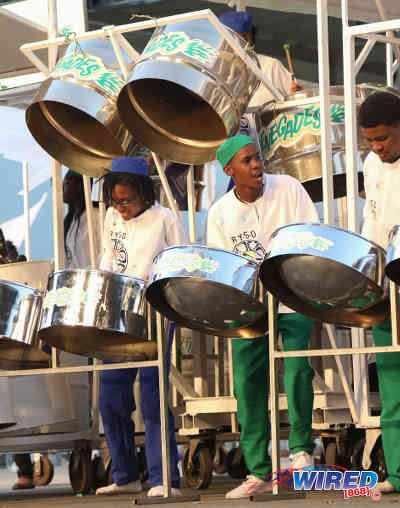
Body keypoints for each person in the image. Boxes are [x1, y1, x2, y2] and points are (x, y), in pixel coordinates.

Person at [207, 134, 319, 499]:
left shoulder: (288, 188)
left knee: (298, 367)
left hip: (293, 296)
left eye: (257, 158)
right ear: (229, 170)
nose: (256, 166)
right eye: (247, 161)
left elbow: (311, 235)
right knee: (247, 384)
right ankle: (257, 469)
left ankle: (301, 450)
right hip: (249, 308)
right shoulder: (220, 212)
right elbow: (222, 268)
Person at [96, 157, 187, 497]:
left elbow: (180, 259)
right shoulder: (110, 217)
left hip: (153, 311)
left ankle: (164, 478)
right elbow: (109, 256)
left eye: (127, 201)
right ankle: (125, 475)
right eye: (115, 201)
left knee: (151, 397)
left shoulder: (163, 218)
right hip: (119, 313)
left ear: (145, 194)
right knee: (111, 397)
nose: (120, 207)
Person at [11, 169, 100, 490]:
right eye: (63, 183)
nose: (64, 188)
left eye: (70, 182)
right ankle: (65, 423)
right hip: (75, 297)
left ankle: (92, 427)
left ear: (83, 185)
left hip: (95, 295)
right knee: (68, 365)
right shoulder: (68, 220)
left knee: (96, 369)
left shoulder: (98, 215)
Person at [358, 91, 400, 494]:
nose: (376, 147)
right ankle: (399, 473)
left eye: (384, 138)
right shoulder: (371, 164)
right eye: (370, 140)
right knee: (390, 378)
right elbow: (371, 220)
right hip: (388, 284)